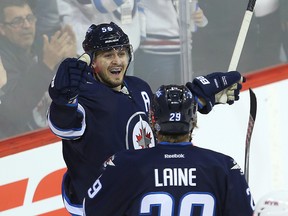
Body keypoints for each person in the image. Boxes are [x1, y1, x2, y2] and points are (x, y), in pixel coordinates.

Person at [47, 21, 245, 215]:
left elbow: (163, 118)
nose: (117, 61)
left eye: (122, 53)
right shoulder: (83, 94)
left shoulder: (138, 87)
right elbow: (63, 125)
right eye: (108, 55)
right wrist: (63, 102)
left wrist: (197, 97)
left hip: (139, 198)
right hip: (101, 205)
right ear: (92, 61)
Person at [83, 84, 254, 216]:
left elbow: (91, 210)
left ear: (152, 118)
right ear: (193, 121)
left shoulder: (125, 164)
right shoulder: (223, 167)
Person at [0, 0, 77, 139]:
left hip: (54, 134)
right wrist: (46, 66)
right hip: (21, 146)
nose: (27, 25)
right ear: (2, 29)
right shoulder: (3, 61)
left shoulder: (44, 46)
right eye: (17, 21)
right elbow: (11, 114)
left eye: (29, 18)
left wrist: (71, 63)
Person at [134, 0, 208, 91]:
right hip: (157, 50)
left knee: (181, 95)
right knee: (162, 96)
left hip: (184, 51)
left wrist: (199, 17)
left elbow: (188, 9)